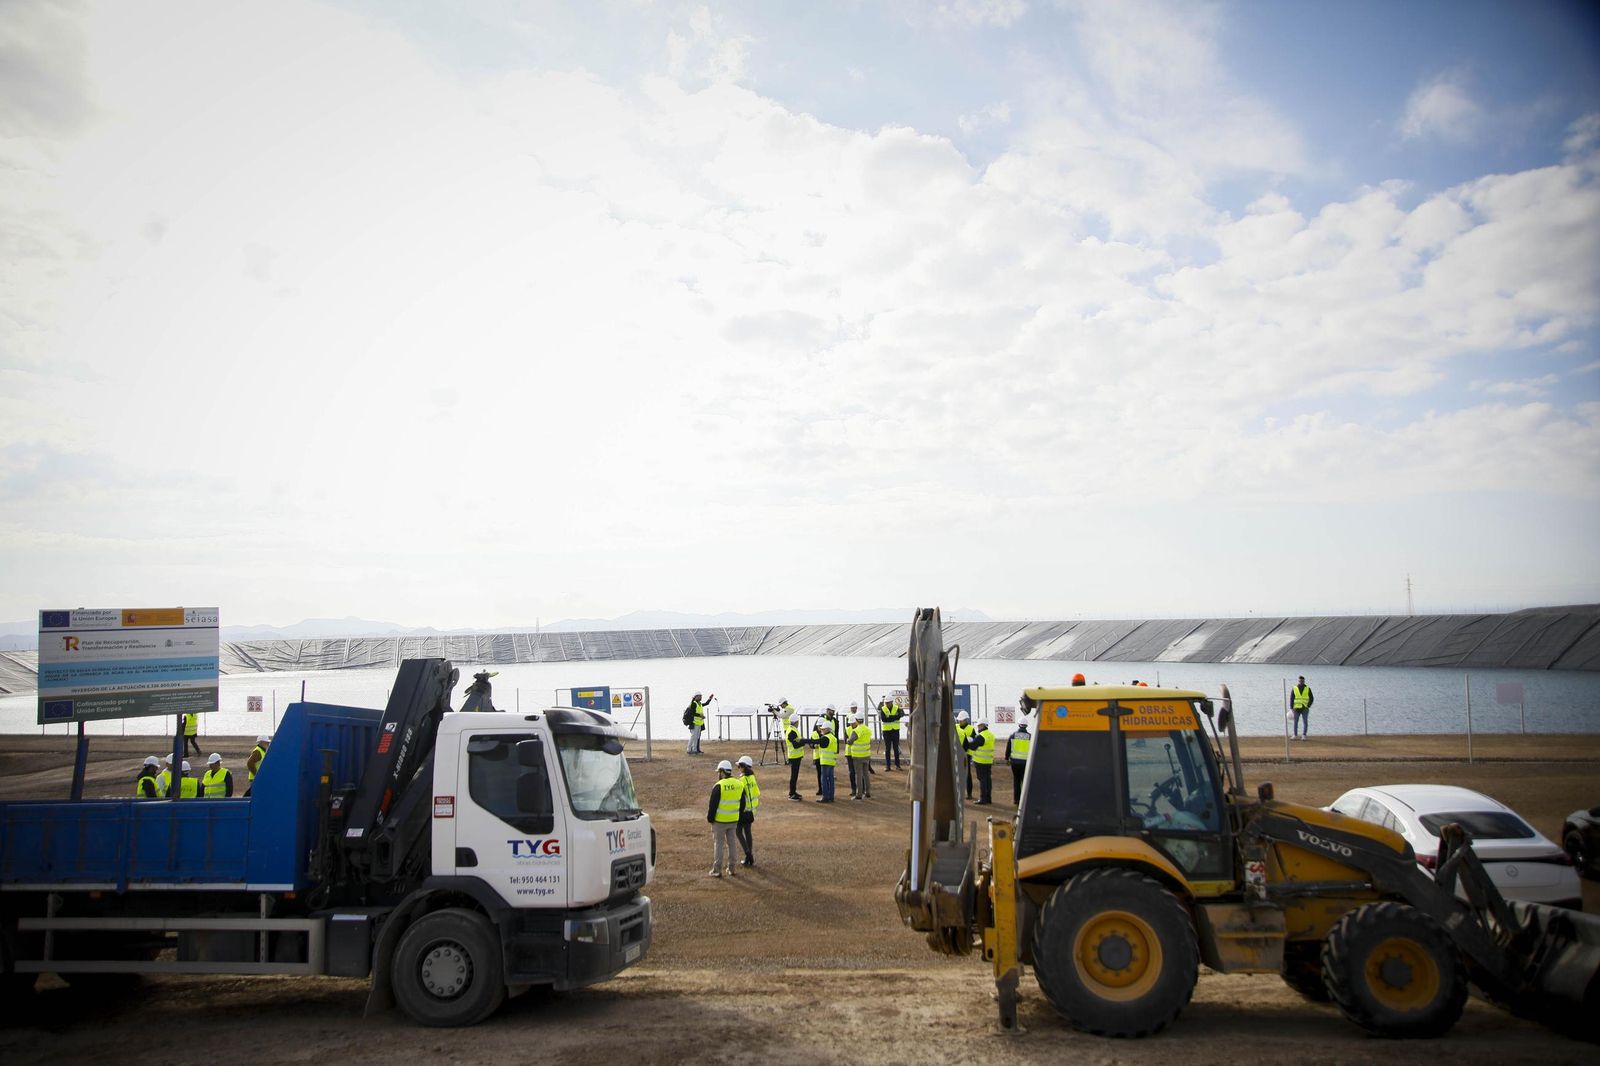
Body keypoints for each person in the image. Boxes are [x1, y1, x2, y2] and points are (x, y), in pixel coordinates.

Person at [707, 759, 746, 877]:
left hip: (719, 821)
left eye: (719, 772)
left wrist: (710, 819)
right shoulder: (739, 784)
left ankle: (717, 870)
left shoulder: (719, 786)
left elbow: (712, 805)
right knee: (732, 844)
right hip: (733, 819)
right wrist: (737, 815)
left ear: (722, 771)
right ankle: (732, 868)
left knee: (718, 844)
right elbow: (742, 803)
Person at [736, 755, 760, 867]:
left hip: (743, 811)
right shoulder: (752, 778)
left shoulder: (742, 780)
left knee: (738, 831)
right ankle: (748, 856)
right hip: (751, 811)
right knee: (748, 832)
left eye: (738, 766)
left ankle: (748, 854)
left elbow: (738, 797)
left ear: (742, 767)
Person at [965, 721, 996, 805]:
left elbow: (973, 746)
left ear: (983, 726)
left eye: (979, 726)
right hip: (988, 761)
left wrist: (966, 742)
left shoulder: (981, 736)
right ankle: (988, 798)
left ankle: (983, 799)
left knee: (982, 780)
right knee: (988, 780)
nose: (978, 727)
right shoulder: (990, 735)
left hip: (981, 761)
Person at [1004, 720, 1031, 804]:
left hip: (1015, 762)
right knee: (1025, 781)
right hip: (1026, 763)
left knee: (1016, 780)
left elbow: (1008, 748)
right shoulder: (1030, 737)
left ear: (1019, 724)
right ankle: (1025, 799)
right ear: (1026, 725)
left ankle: (1016, 800)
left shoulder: (1013, 735)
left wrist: (1006, 758)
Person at [784, 713, 809, 800]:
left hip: (796, 756)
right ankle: (791, 793)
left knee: (795, 775)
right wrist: (803, 741)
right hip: (794, 756)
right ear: (796, 722)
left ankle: (793, 792)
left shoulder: (792, 730)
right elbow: (795, 745)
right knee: (794, 775)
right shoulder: (792, 731)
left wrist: (801, 741)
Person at [848, 713, 873, 799]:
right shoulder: (868, 729)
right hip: (866, 755)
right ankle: (868, 792)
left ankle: (859, 794)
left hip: (858, 756)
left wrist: (848, 739)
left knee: (858, 774)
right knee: (866, 773)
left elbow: (850, 741)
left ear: (856, 720)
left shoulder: (856, 730)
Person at [814, 721, 839, 803]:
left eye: (823, 729)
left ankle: (825, 797)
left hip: (825, 761)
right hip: (832, 761)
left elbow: (815, 742)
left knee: (824, 779)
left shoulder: (825, 738)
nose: (822, 730)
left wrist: (802, 740)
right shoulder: (833, 738)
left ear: (827, 729)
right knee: (831, 779)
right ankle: (831, 797)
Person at [879, 696, 904, 770]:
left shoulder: (897, 708)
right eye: (886, 703)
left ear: (891, 702)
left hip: (895, 730)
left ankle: (897, 765)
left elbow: (900, 716)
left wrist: (889, 717)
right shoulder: (883, 709)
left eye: (888, 703)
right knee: (887, 749)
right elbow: (884, 719)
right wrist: (894, 717)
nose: (886, 704)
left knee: (896, 748)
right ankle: (888, 766)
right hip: (886, 731)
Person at [956, 711, 975, 799]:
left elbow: (974, 742)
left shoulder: (971, 729)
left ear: (966, 720)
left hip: (967, 754)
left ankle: (969, 793)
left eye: (962, 720)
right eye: (959, 720)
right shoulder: (955, 727)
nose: (960, 722)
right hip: (957, 753)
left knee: (967, 774)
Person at [1291, 676, 1314, 740]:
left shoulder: (1308, 688)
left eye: (1302, 681)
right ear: (1298, 681)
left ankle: (1304, 735)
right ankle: (1295, 735)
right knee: (1295, 722)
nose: (1301, 682)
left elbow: (1312, 698)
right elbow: (1292, 698)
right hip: (1296, 708)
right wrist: (1291, 707)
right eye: (1300, 681)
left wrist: (1308, 705)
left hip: (1305, 708)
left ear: (1304, 681)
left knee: (1305, 722)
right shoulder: (1294, 688)